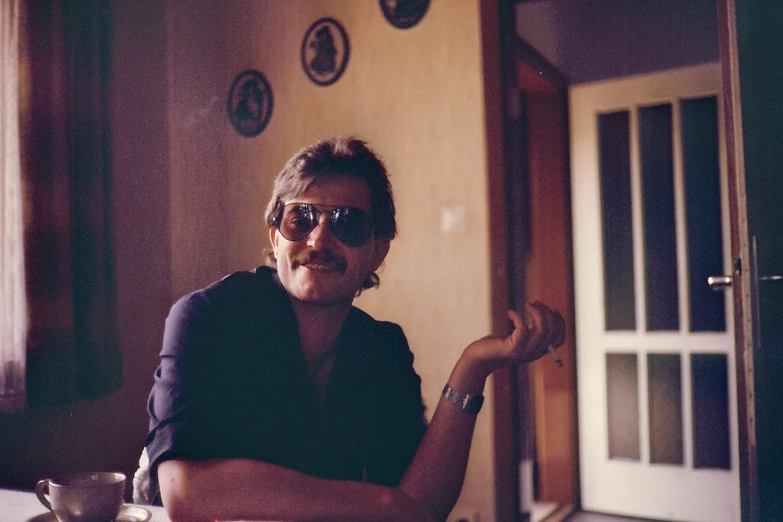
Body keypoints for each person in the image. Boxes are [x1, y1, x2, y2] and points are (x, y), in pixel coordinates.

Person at [144, 137, 565, 522]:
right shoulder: (206, 318)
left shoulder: (381, 347)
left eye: (347, 224)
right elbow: (185, 491)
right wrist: (382, 504)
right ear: (276, 239)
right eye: (300, 219)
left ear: (377, 252)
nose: (319, 239)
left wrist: (473, 366)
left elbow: (421, 506)